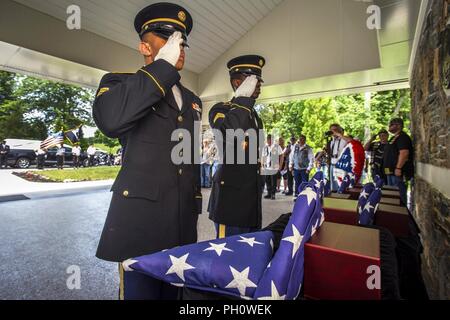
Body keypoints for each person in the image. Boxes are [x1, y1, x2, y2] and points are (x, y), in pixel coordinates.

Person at [93, 2, 202, 300]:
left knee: (174, 297)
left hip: (181, 222)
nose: (178, 45)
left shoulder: (193, 100)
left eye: (181, 40)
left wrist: (194, 206)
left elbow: (190, 158)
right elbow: (111, 121)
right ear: (144, 47)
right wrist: (162, 68)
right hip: (140, 222)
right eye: (167, 38)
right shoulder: (120, 83)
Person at [208, 55, 265, 238]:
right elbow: (229, 132)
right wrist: (243, 100)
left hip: (250, 195)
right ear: (237, 82)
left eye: (259, 81)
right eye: (253, 81)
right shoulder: (221, 109)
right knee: (227, 257)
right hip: (230, 198)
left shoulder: (253, 115)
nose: (259, 86)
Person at [383, 118, 414, 206]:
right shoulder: (395, 137)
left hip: (397, 172)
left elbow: (404, 153)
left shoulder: (402, 137)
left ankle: (401, 216)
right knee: (392, 197)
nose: (389, 126)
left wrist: (398, 167)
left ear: (398, 125)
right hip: (390, 172)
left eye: (391, 124)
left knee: (398, 197)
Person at [289, 135, 314, 200]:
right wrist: (291, 165)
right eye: (300, 139)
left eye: (302, 139)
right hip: (296, 168)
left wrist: (309, 168)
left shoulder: (308, 148)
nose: (301, 140)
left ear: (305, 140)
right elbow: (292, 156)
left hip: (304, 169)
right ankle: (297, 195)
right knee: (297, 182)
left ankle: (304, 197)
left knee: (304, 182)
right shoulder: (295, 146)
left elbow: (311, 159)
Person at [328, 124, 350, 191]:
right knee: (333, 185)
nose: (333, 132)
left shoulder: (344, 139)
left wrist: (340, 135)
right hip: (332, 164)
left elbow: (351, 141)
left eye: (335, 130)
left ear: (339, 130)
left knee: (341, 185)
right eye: (332, 130)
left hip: (341, 165)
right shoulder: (332, 141)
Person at [262, 134, 283, 200]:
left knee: (273, 181)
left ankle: (273, 194)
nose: (269, 141)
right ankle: (269, 193)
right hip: (267, 167)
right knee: (267, 180)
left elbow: (281, 156)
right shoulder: (265, 147)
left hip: (274, 167)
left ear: (272, 140)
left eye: (270, 139)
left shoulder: (277, 147)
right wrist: (262, 165)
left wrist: (280, 165)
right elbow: (263, 156)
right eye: (268, 139)